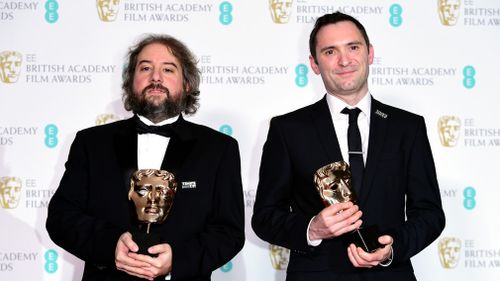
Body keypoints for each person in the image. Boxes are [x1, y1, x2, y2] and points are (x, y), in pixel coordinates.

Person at [252, 12, 445, 281]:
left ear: (370, 53)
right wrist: (313, 228)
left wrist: (391, 249)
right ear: (314, 63)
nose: (344, 60)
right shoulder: (288, 129)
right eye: (330, 51)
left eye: (353, 47)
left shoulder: (407, 127)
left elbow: (429, 213)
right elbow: (265, 217)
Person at [46, 34, 245, 281]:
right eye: (146, 68)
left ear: (187, 85)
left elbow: (229, 232)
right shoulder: (91, 143)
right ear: (131, 82)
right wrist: (110, 246)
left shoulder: (219, 149)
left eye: (168, 69)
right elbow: (61, 218)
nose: (156, 77)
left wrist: (178, 260)